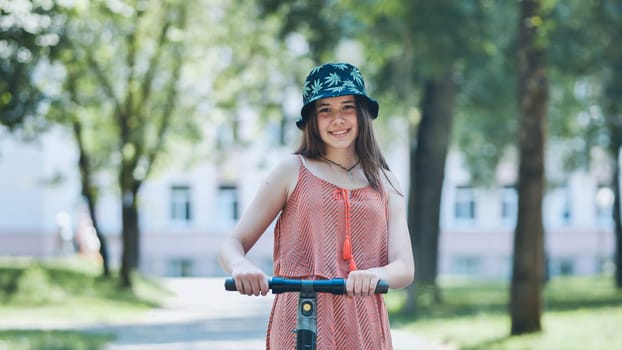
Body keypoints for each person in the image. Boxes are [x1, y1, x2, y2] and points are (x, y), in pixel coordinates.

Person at [218, 62, 415, 349]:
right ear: (313, 119)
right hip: (301, 323)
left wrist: (376, 274)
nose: (338, 119)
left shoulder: (386, 182)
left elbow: (404, 267)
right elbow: (232, 244)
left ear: (362, 113)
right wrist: (240, 266)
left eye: (347, 107)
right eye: (326, 110)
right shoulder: (292, 170)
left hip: (364, 327)